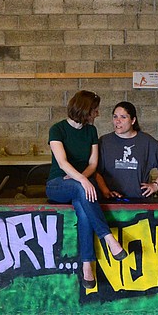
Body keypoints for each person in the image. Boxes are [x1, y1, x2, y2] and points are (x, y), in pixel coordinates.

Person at [45, 90, 128, 290]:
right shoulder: (57, 129)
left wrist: (83, 179)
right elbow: (63, 163)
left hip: (81, 186)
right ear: (84, 110)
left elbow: (93, 163)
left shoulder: (91, 131)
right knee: (79, 188)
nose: (97, 114)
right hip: (58, 184)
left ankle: (86, 266)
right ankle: (108, 238)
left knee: (83, 209)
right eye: (95, 110)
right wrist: (82, 179)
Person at [97, 101, 158, 200]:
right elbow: (95, 171)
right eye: (115, 116)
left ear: (133, 120)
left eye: (123, 117)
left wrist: (156, 185)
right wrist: (105, 191)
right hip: (111, 202)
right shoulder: (104, 141)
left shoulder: (146, 141)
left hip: (140, 201)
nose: (118, 121)